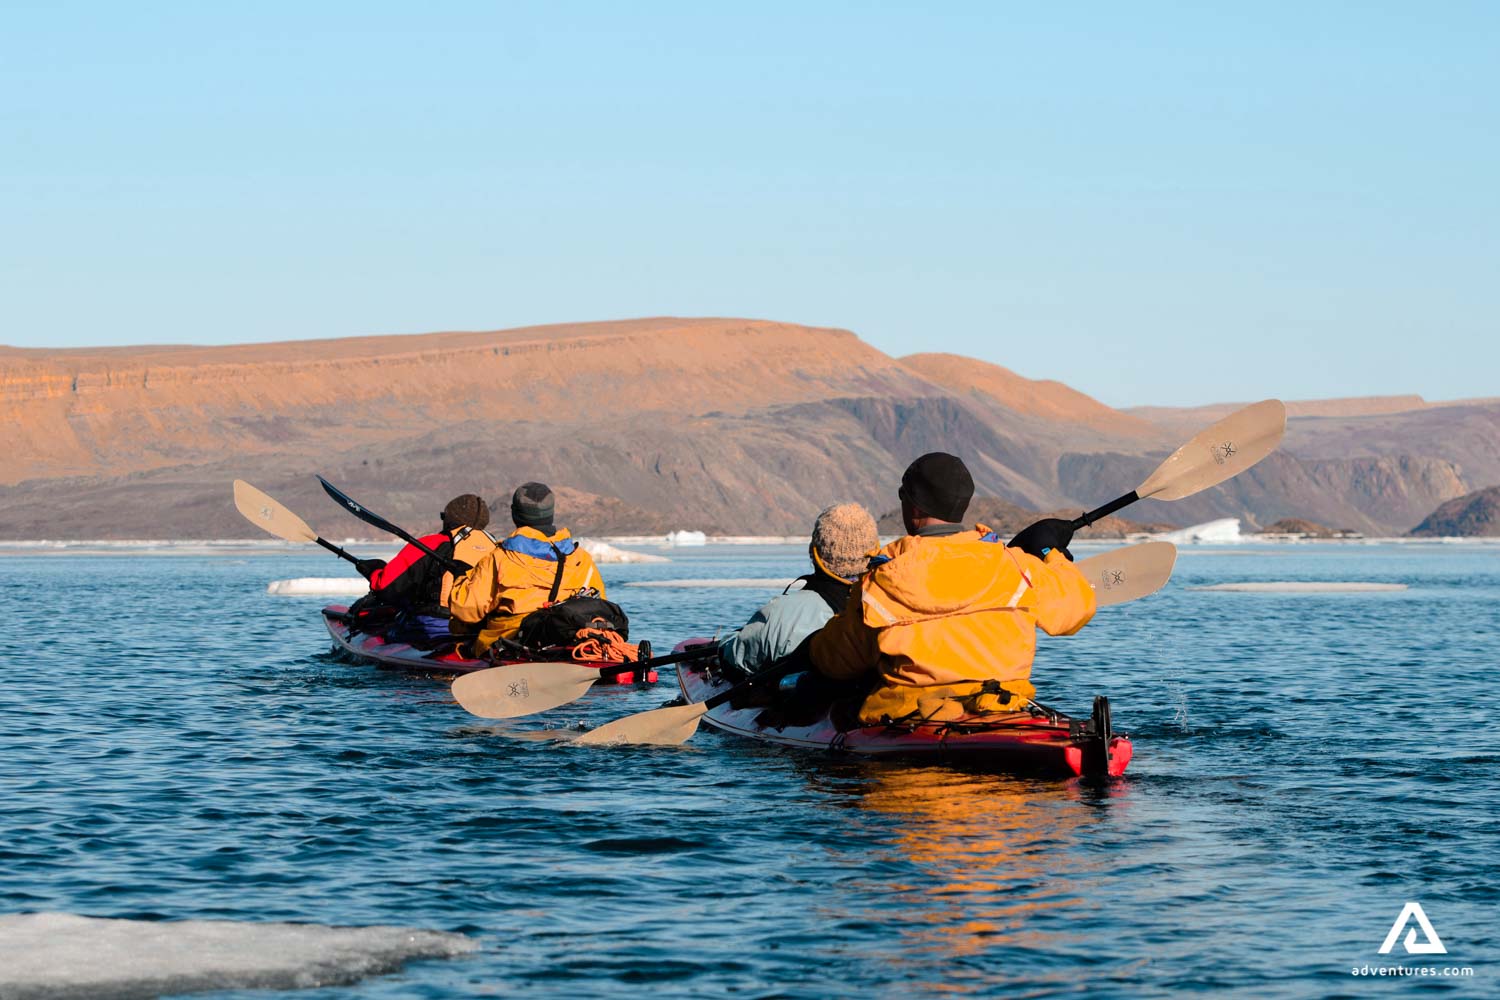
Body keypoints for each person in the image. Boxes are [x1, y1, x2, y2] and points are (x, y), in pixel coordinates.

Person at [804, 452, 1096, 725]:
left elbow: (836, 661)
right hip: (1001, 708)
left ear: (914, 505)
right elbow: (1075, 610)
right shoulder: (1015, 566)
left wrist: (812, 648)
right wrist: (1048, 552)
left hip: (910, 721)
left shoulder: (883, 576)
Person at [718, 502, 880, 675]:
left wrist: (725, 643)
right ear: (876, 552)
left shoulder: (780, 615)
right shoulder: (896, 604)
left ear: (814, 553)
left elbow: (736, 656)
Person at [447, 482, 606, 653]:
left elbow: (466, 609)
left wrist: (462, 579)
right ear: (551, 514)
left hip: (508, 643)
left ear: (515, 514)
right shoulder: (581, 558)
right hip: (567, 638)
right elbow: (599, 604)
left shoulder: (500, 557)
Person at [350, 493, 496, 641]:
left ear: (450, 520)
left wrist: (375, 571)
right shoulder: (497, 548)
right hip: (482, 628)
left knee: (379, 623)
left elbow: (386, 588)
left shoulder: (430, 544)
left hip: (431, 626)